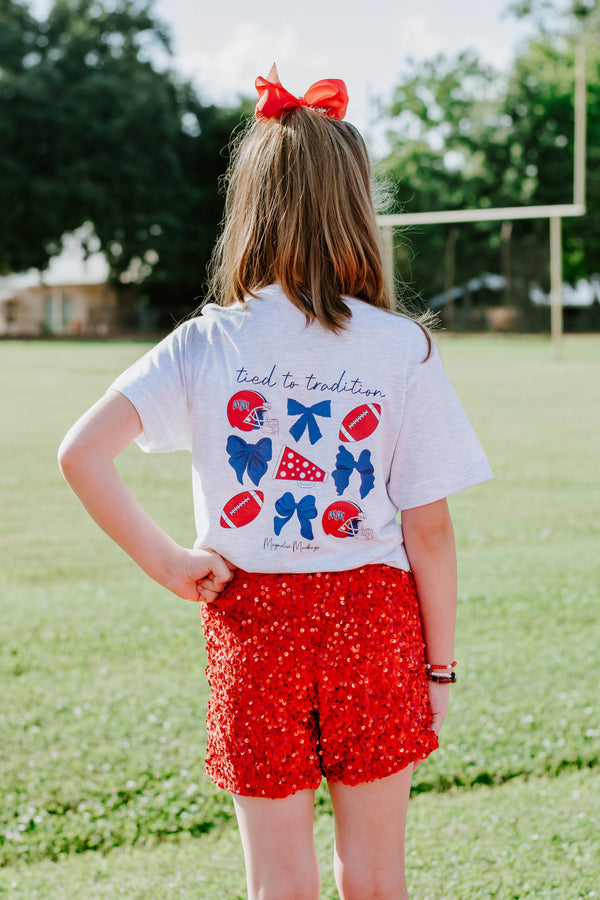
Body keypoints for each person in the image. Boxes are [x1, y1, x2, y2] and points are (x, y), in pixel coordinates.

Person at [58, 64, 492, 900]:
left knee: (278, 885)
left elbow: (82, 452)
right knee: (374, 878)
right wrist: (438, 673)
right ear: (358, 207)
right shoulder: (401, 348)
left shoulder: (205, 343)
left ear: (249, 204)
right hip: (375, 629)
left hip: (253, 629)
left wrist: (169, 562)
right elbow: (428, 534)